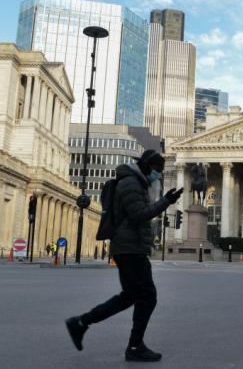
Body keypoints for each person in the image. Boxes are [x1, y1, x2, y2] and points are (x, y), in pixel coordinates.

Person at [65, 149, 183, 362]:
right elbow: (138, 216)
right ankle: (134, 346)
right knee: (147, 297)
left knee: (131, 296)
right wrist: (165, 201)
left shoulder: (136, 182)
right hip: (130, 248)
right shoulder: (131, 183)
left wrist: (166, 201)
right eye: (157, 169)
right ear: (147, 166)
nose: (158, 174)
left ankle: (81, 323)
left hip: (130, 248)